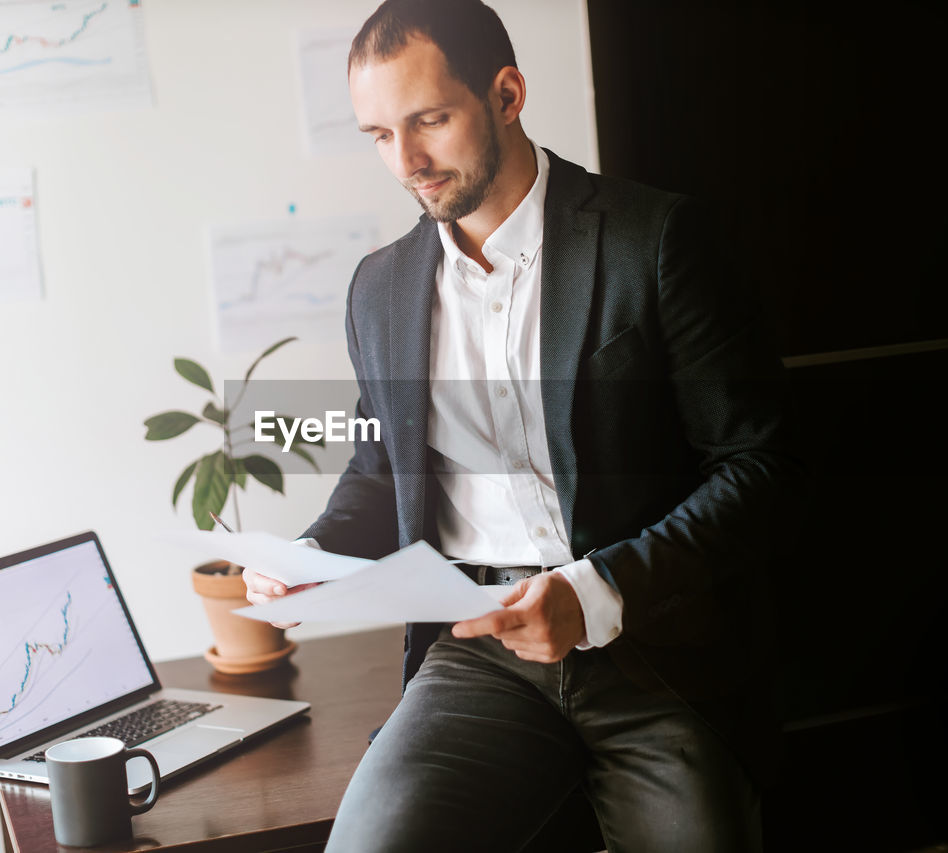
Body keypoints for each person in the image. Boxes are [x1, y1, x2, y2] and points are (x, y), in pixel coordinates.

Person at [243, 0, 805, 849]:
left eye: (429, 120)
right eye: (379, 135)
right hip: (477, 648)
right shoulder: (380, 288)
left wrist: (593, 594)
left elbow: (761, 466)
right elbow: (382, 468)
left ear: (507, 94)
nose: (408, 162)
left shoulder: (655, 239)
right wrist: (312, 560)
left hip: (654, 648)